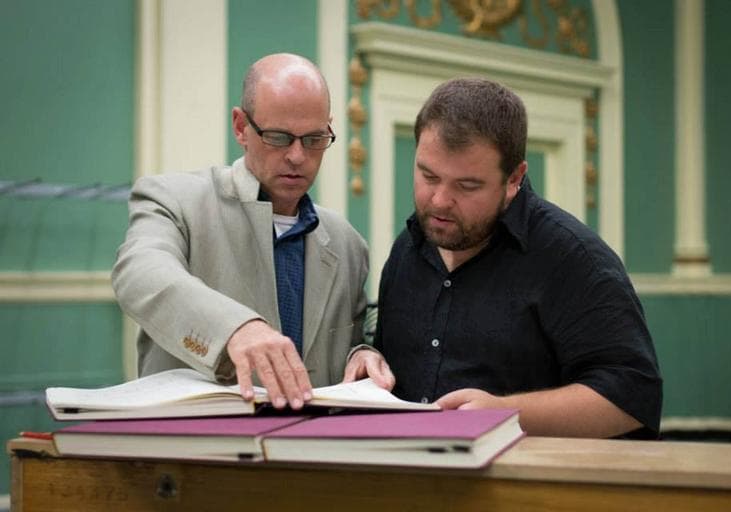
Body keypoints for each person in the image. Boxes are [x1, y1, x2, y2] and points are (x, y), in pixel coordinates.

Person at [348, 77, 662, 438]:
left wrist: (505, 413)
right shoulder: (407, 249)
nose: (439, 200)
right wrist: (368, 358)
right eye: (428, 175)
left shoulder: (574, 258)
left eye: (467, 186)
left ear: (514, 179)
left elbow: (634, 398)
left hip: (531, 489)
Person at [113, 53, 391, 411]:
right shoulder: (175, 200)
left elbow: (346, 343)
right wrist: (234, 328)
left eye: (314, 139)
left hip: (308, 455)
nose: (296, 156)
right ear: (241, 127)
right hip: (196, 455)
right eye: (278, 137)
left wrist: (364, 355)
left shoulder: (347, 242)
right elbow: (139, 273)